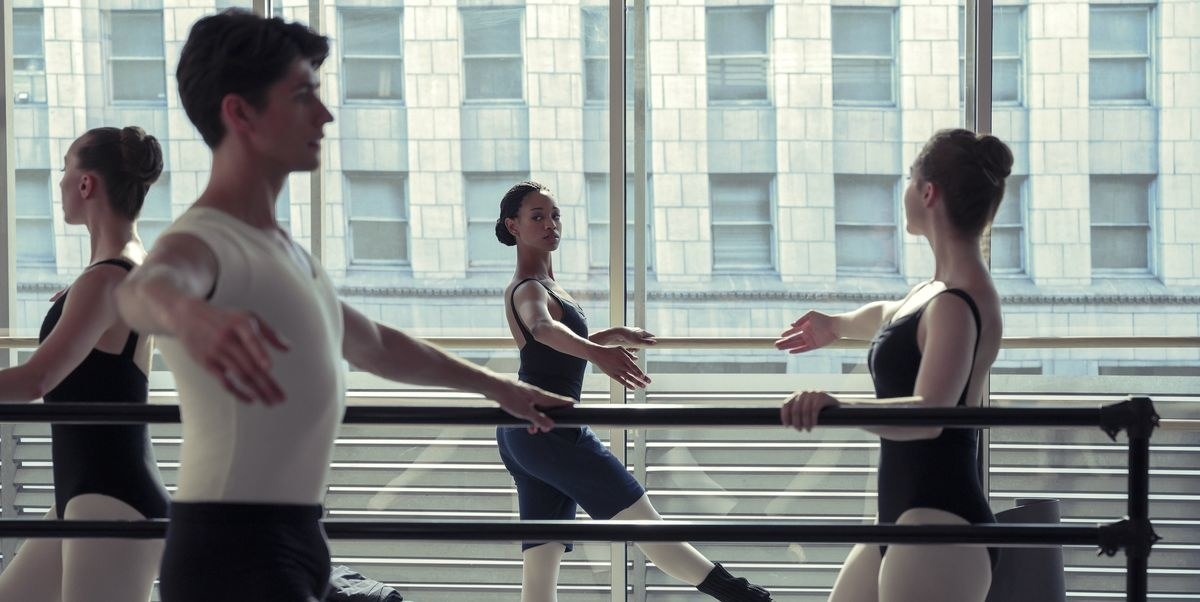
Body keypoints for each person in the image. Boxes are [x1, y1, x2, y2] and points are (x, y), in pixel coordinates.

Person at [112, 10, 572, 602]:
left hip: (300, 538)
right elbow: (143, 291)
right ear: (241, 112)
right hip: (233, 551)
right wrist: (191, 316)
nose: (325, 115)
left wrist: (499, 389)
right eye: (303, 96)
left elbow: (374, 344)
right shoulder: (202, 238)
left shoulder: (282, 252)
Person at [496, 181, 773, 602]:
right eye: (538, 217)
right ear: (512, 226)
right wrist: (596, 353)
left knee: (540, 568)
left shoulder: (545, 283)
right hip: (550, 429)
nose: (550, 224)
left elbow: (550, 344)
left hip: (523, 431)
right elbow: (541, 329)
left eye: (555, 216)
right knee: (645, 526)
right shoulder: (529, 287)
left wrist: (607, 337)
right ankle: (746, 598)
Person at [776, 129, 1014, 602]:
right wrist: (836, 324)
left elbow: (930, 415)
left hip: (940, 524)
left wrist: (839, 406)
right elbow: (891, 318)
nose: (904, 189)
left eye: (910, 178)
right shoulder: (935, 292)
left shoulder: (956, 302)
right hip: (903, 519)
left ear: (928, 192)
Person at [0, 126, 168, 602]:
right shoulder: (123, 269)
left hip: (111, 500)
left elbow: (37, 378)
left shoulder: (108, 280)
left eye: (65, 168)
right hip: (91, 494)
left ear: (86, 183)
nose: (59, 183)